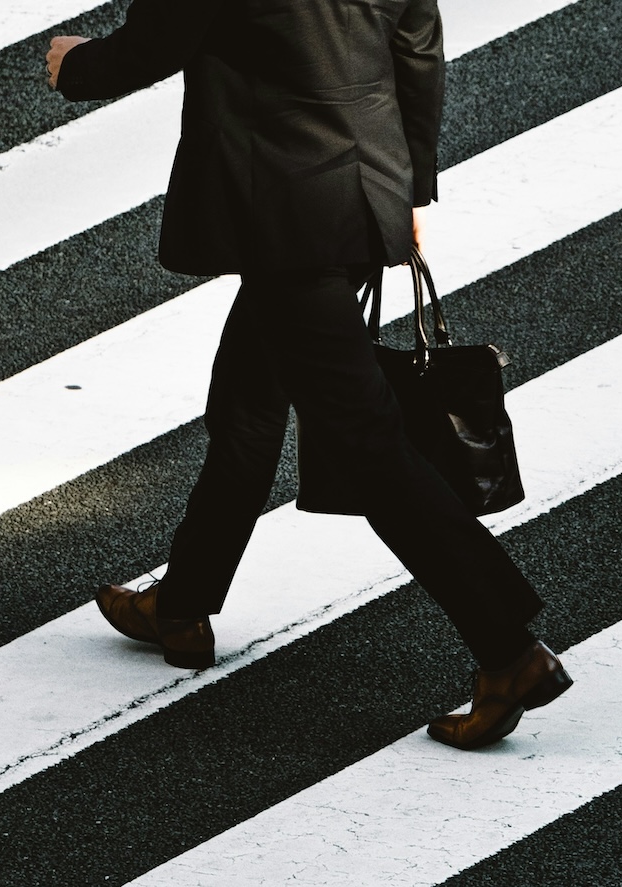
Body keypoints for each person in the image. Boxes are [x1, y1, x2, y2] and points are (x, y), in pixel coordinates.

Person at [46, 0, 569, 750]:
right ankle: (183, 603)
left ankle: (508, 652)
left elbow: (159, 38)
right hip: (361, 188)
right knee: (247, 404)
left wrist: (78, 64)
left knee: (368, 442)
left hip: (280, 212)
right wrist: (412, 185)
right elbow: (417, 39)